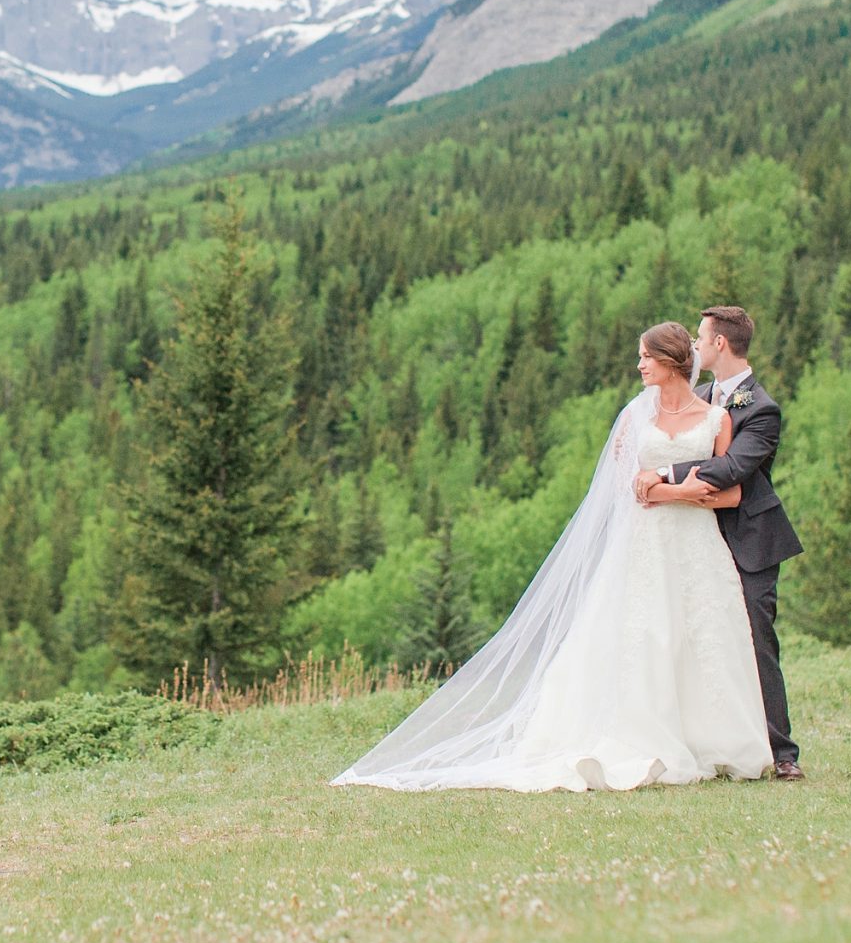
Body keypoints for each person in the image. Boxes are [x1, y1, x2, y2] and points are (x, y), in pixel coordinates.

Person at [330, 321, 771, 792]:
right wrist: (676, 490)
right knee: (645, 635)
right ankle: (648, 736)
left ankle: (715, 742)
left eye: (645, 357)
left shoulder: (716, 419)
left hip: (698, 546)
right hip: (647, 545)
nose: (639, 365)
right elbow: (624, 486)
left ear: (669, 361)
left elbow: (729, 495)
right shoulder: (635, 419)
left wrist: (664, 491)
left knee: (703, 636)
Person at [637, 305, 805, 779]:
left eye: (700, 337)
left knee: (755, 641)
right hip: (695, 537)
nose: (693, 344)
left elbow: (732, 470)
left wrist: (663, 476)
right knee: (703, 639)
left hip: (749, 537)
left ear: (719, 345)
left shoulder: (762, 408)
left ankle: (782, 752)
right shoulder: (704, 396)